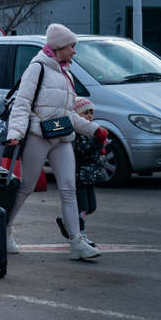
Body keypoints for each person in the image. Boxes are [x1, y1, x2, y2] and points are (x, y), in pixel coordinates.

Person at [5, 23, 108, 261]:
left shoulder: (66, 73)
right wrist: (16, 133)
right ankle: (5, 230)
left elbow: (69, 113)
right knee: (26, 187)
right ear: (60, 47)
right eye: (72, 46)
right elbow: (22, 104)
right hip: (37, 136)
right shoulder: (37, 68)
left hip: (62, 136)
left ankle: (77, 242)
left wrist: (94, 130)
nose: (74, 51)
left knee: (68, 189)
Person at [63, 96, 105, 246]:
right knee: (82, 207)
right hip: (78, 175)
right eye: (85, 113)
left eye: (91, 112)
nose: (90, 116)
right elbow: (83, 152)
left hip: (89, 176)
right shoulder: (77, 135)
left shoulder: (89, 133)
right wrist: (98, 143)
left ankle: (66, 220)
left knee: (91, 206)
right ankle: (80, 233)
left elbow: (93, 153)